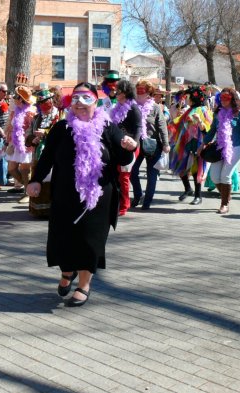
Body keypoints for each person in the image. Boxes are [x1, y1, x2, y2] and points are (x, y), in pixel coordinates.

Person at [27, 82, 136, 307]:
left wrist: (129, 149)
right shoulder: (61, 129)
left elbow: (123, 161)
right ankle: (67, 273)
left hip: (98, 197)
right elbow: (46, 158)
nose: (80, 105)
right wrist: (36, 180)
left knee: (90, 241)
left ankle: (84, 284)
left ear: (96, 102)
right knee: (62, 238)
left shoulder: (109, 128)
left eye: (86, 100)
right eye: (75, 100)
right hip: (65, 194)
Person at [199, 87, 240, 214]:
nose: (223, 100)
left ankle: (224, 204)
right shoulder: (218, 113)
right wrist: (203, 144)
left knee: (225, 176)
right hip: (220, 146)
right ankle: (226, 196)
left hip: (236, 147)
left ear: (232, 99)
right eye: (221, 98)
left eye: (226, 98)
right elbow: (211, 131)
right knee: (215, 176)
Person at [169, 86, 212, 205]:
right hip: (184, 143)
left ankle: (198, 196)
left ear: (194, 98)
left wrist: (199, 121)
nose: (186, 99)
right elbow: (179, 123)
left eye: (187, 97)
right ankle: (188, 189)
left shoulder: (204, 110)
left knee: (196, 169)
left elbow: (207, 130)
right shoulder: (188, 110)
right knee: (180, 166)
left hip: (198, 143)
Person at [130, 80, 170, 210]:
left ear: (149, 93)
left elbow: (162, 126)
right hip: (135, 143)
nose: (139, 92)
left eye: (142, 90)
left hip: (152, 143)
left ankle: (147, 202)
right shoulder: (131, 106)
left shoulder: (155, 107)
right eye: (138, 89)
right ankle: (138, 195)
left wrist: (165, 144)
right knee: (132, 171)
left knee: (152, 174)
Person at [25, 87, 61, 218]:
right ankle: (40, 210)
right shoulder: (36, 118)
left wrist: (46, 134)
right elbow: (27, 135)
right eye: (41, 102)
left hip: (55, 155)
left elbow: (62, 134)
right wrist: (32, 140)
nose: (45, 104)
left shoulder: (60, 116)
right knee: (39, 178)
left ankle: (53, 209)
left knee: (53, 181)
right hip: (38, 155)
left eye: (46, 101)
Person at [109, 80, 142, 215]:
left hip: (130, 147)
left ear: (126, 93)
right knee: (118, 175)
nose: (117, 94)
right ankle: (118, 203)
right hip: (119, 146)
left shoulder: (133, 108)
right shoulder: (116, 107)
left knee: (124, 176)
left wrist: (134, 143)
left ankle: (124, 205)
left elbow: (139, 127)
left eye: (119, 91)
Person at [5, 82, 35, 203]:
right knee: (11, 168)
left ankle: (27, 194)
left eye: (15, 97)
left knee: (24, 169)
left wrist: (30, 142)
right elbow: (11, 126)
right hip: (15, 143)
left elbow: (31, 129)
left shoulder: (30, 112)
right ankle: (29, 188)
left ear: (21, 100)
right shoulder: (15, 111)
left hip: (25, 145)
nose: (13, 99)